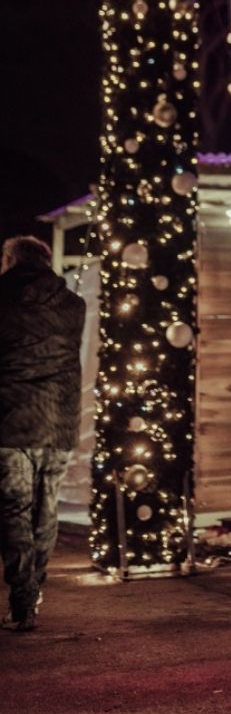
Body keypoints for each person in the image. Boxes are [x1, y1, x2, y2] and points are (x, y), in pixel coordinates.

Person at [0, 235, 85, 632]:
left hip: (12, 423)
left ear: (11, 260)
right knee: (44, 508)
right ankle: (33, 594)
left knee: (14, 510)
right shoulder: (74, 305)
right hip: (59, 423)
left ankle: (22, 600)